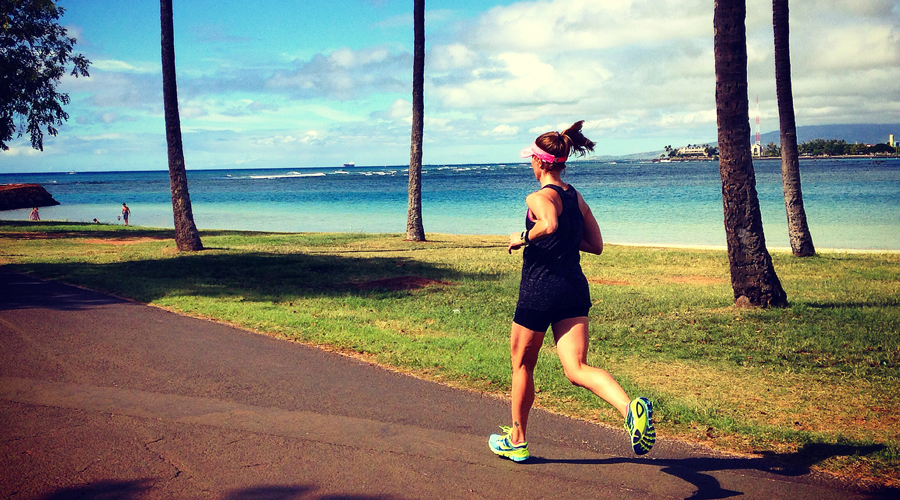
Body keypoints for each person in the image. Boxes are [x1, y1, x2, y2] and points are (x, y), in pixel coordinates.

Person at [488, 121, 655, 462]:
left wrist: (521, 238)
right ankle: (629, 408)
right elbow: (595, 245)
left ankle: (517, 440)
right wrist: (563, 237)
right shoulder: (576, 198)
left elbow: (547, 223)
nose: (530, 165)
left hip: (539, 290)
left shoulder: (539, 196)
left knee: (522, 365)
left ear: (541, 162)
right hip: (573, 289)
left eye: (532, 159)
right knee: (576, 367)